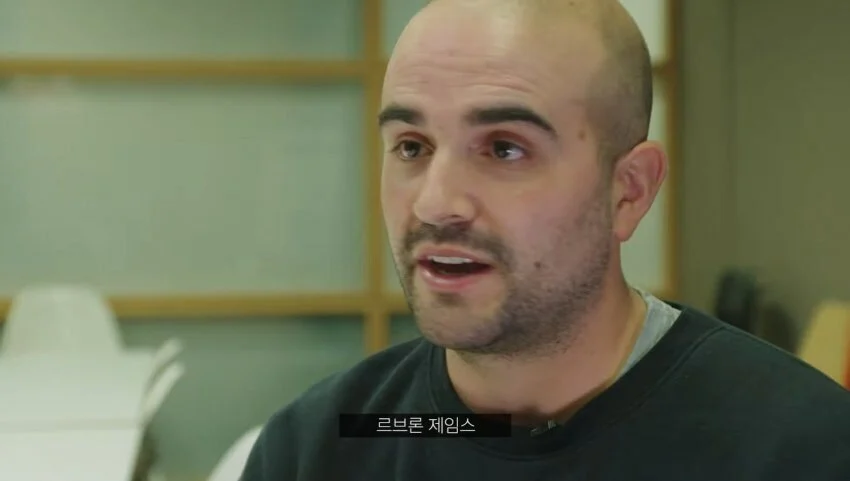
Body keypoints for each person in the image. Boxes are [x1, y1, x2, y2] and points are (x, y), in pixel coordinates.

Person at [241, 0, 850, 479]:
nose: (434, 203)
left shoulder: (796, 449)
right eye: (411, 146)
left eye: (505, 149)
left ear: (629, 191)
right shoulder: (321, 447)